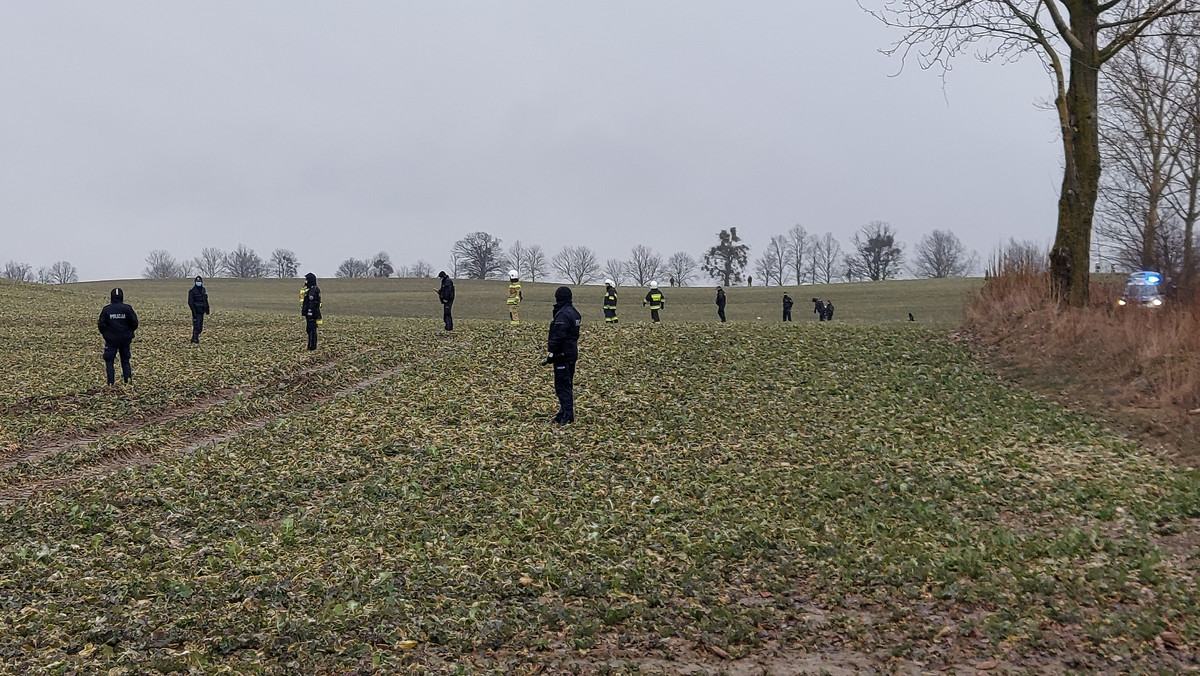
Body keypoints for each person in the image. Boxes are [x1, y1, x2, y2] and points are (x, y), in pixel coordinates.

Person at [546, 286, 581, 425]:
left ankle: (567, 415)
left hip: (562, 354)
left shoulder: (562, 315)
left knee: (562, 386)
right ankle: (564, 412)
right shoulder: (574, 313)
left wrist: (551, 351)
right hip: (571, 352)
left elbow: (558, 336)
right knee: (567, 383)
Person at [98, 287, 138, 386]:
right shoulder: (128, 309)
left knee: (109, 361)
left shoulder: (106, 309)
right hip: (125, 339)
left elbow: (101, 324)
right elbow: (134, 323)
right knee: (125, 360)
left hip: (111, 340)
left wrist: (106, 334)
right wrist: (129, 332)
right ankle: (127, 382)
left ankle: (111, 383)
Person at [301, 272, 322, 350]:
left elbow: (312, 303)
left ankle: (312, 347)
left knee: (311, 330)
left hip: (312, 314)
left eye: (306, 280)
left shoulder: (313, 290)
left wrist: (310, 313)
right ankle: (311, 345)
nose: (305, 282)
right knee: (310, 329)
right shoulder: (312, 289)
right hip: (313, 313)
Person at [187, 276, 210, 344]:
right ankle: (194, 339)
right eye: (197, 282)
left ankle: (195, 338)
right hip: (196, 311)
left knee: (200, 327)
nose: (198, 283)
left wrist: (207, 309)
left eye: (199, 281)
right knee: (196, 326)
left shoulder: (203, 290)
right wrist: (193, 311)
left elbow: (205, 300)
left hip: (202, 311)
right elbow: (190, 302)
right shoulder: (192, 291)